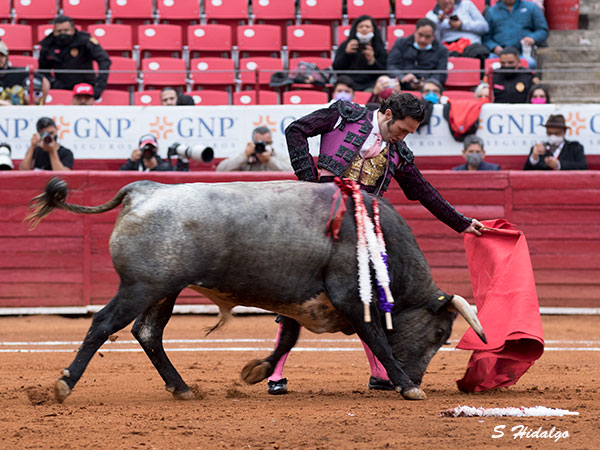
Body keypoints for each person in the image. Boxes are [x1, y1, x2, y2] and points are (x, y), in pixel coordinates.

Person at [267, 93, 485, 394]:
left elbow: (423, 191)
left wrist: (461, 223)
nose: (404, 136)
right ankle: (275, 373)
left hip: (360, 229)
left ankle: (380, 371)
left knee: (368, 295)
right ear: (385, 114)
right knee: (299, 290)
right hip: (319, 220)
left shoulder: (397, 152)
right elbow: (296, 130)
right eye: (402, 129)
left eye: (409, 132)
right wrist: (309, 183)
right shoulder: (345, 116)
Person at [38, 15, 112, 99]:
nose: (62, 34)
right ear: (54, 32)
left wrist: (99, 86)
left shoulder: (85, 40)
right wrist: (53, 83)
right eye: (59, 31)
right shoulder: (48, 44)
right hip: (61, 88)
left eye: (66, 30)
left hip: (86, 87)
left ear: (73, 30)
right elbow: (42, 69)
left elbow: (104, 60)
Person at [482, 0, 549, 69]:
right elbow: (486, 37)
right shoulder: (491, 11)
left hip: (523, 53)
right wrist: (494, 47)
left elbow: (543, 30)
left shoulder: (531, 7)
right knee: (488, 64)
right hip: (499, 54)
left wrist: (532, 38)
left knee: (530, 63)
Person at [387, 18, 448, 91]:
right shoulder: (401, 43)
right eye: (420, 35)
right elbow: (391, 65)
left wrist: (425, 83)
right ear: (415, 32)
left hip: (428, 89)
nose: (423, 40)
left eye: (427, 37)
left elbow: (441, 74)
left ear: (433, 36)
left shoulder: (441, 50)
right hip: (401, 85)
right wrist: (402, 77)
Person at [426, 0, 489, 66]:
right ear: (437, 1)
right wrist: (439, 22)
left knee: (480, 52)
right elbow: (434, 41)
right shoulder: (431, 16)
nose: (447, 1)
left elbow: (484, 27)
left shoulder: (467, 4)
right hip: (448, 49)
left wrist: (462, 25)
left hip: (471, 46)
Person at [332, 15, 387, 92]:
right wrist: (346, 53)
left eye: (367, 27)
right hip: (348, 84)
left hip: (371, 85)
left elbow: (383, 72)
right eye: (361, 27)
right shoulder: (346, 45)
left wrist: (372, 61)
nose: (364, 29)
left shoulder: (379, 47)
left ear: (373, 29)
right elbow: (336, 68)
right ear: (356, 29)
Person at [216, 126, 292, 172]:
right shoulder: (246, 157)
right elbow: (220, 170)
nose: (262, 146)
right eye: (259, 143)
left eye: (266, 143)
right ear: (253, 143)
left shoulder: (279, 157)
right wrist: (244, 156)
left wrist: (270, 160)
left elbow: (293, 171)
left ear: (271, 143)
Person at [0, 40, 49, 106]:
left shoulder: (17, 72)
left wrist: (42, 103)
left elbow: (44, 80)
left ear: (7, 57)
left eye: (2, 55)